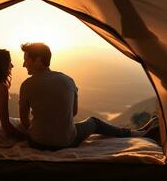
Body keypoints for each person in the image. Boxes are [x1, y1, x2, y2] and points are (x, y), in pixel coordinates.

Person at [19, 42, 153, 151]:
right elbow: (73, 113)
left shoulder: (26, 85)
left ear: (38, 60)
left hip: (38, 143)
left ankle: (138, 132)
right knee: (94, 122)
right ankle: (136, 133)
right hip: (67, 142)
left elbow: (25, 122)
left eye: (26, 60)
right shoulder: (68, 80)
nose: (24, 64)